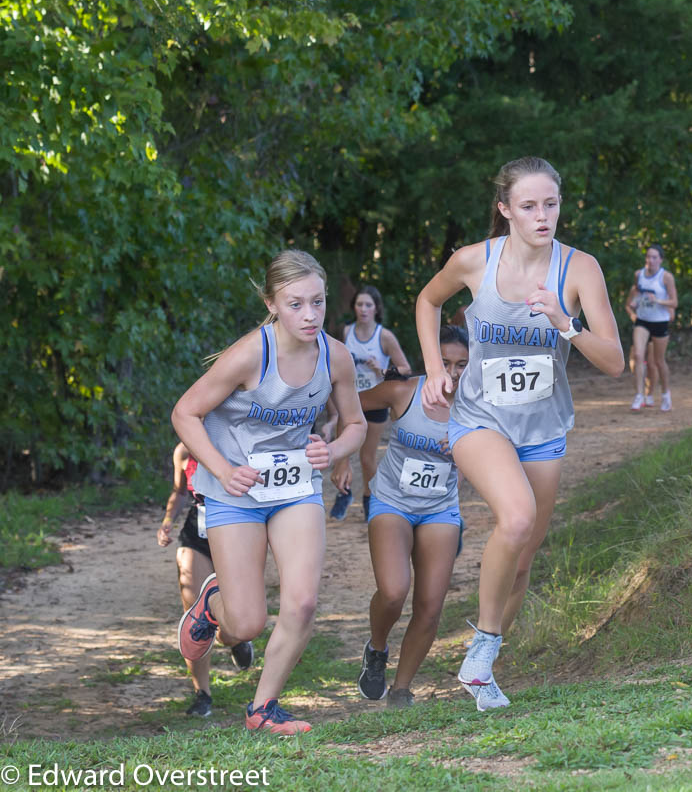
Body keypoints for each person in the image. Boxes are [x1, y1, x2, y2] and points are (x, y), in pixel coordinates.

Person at [414, 156, 623, 710]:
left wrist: (565, 324)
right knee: (518, 516)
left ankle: (484, 668)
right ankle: (481, 650)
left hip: (544, 427)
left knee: (524, 557)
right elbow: (428, 301)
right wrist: (436, 368)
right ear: (505, 209)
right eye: (529, 206)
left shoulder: (579, 269)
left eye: (550, 204)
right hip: (480, 420)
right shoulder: (472, 262)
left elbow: (615, 362)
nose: (542, 216)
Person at [172, 249, 366, 733]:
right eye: (296, 304)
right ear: (272, 302)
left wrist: (335, 447)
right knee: (246, 624)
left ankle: (262, 710)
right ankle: (211, 604)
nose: (309, 315)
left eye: (318, 303)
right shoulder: (250, 354)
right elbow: (184, 413)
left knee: (302, 603)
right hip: (233, 490)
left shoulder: (335, 356)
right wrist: (221, 467)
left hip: (294, 486)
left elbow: (356, 423)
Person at [332, 325, 469, 708]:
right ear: (429, 359)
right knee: (393, 592)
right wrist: (341, 457)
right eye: (444, 362)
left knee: (430, 604)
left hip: (441, 507)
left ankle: (402, 689)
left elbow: (499, 453)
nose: (453, 372)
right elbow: (350, 407)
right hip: (392, 500)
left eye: (461, 365)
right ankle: (376, 649)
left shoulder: (478, 405)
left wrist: (467, 448)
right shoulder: (402, 392)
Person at [157, 442, 255, 717]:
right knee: (195, 615)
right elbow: (178, 492)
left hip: (236, 534)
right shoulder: (184, 451)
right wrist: (168, 520)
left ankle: (234, 639)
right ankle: (202, 694)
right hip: (196, 533)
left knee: (230, 620)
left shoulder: (239, 442)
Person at [329, 286, 412, 521]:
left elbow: (405, 368)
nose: (363, 309)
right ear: (353, 307)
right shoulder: (345, 332)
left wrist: (382, 370)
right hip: (350, 401)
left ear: (376, 309)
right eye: (359, 305)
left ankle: (369, 497)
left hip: (375, 400)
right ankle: (344, 494)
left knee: (366, 458)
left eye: (368, 305)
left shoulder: (384, 336)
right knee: (341, 453)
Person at [624, 245, 677, 411]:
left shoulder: (666, 277)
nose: (651, 260)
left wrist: (658, 301)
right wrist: (634, 305)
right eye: (648, 257)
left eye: (654, 257)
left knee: (659, 362)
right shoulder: (639, 275)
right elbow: (637, 293)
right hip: (642, 320)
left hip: (660, 321)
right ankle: (639, 395)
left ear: (660, 260)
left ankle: (665, 394)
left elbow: (674, 303)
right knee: (639, 355)